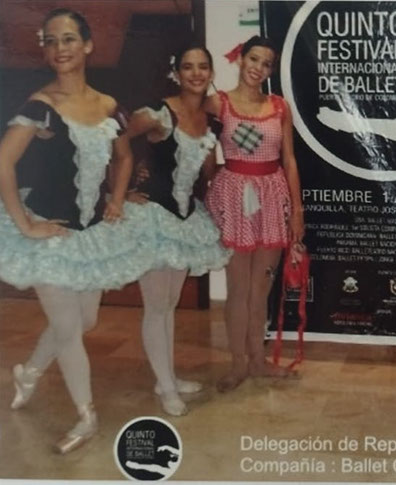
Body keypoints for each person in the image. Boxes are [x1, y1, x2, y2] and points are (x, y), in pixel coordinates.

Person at [0, 8, 149, 452]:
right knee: (68, 329)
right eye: (50, 41)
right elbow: (3, 161)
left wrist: (116, 198)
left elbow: (124, 156)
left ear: (87, 45)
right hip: (52, 232)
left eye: (67, 39)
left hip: (90, 233)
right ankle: (86, 418)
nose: (58, 48)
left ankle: (29, 372)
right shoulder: (40, 106)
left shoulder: (109, 106)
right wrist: (25, 223)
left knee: (86, 320)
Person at [125, 43, 230, 416]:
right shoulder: (158, 113)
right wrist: (118, 191)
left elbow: (208, 172)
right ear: (177, 73)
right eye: (188, 67)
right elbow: (113, 138)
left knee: (169, 304)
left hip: (185, 218)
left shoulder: (211, 121)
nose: (196, 73)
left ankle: (165, 377)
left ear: (211, 72)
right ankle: (167, 387)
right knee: (156, 306)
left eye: (203, 66)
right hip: (153, 217)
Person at [204, 35, 304, 392]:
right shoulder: (217, 103)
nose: (258, 68)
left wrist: (297, 210)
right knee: (238, 289)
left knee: (261, 288)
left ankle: (258, 361)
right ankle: (237, 364)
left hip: (272, 199)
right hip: (234, 201)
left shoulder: (279, 107)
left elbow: (289, 160)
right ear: (240, 58)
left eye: (266, 63)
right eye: (254, 59)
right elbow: (200, 151)